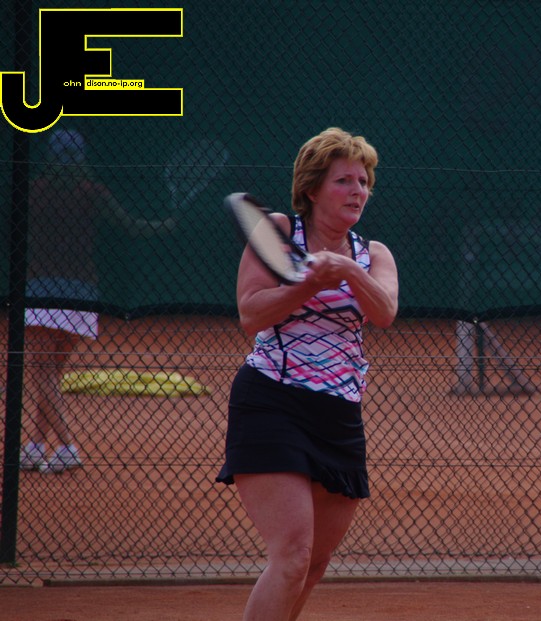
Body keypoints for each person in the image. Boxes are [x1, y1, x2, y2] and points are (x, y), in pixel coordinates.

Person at [216, 127, 398, 621]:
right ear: (313, 189)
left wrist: (347, 270)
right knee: (293, 557)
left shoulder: (374, 253)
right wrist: (307, 284)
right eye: (344, 181)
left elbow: (384, 312)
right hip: (272, 402)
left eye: (363, 182)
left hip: (339, 416)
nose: (357, 191)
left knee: (314, 564)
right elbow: (251, 314)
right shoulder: (278, 232)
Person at [19, 128, 176, 474]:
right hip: (82, 294)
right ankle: (35, 446)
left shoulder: (33, 191)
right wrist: (165, 225)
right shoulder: (93, 192)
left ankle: (66, 446)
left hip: (43, 289)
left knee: (41, 371)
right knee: (50, 374)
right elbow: (132, 226)